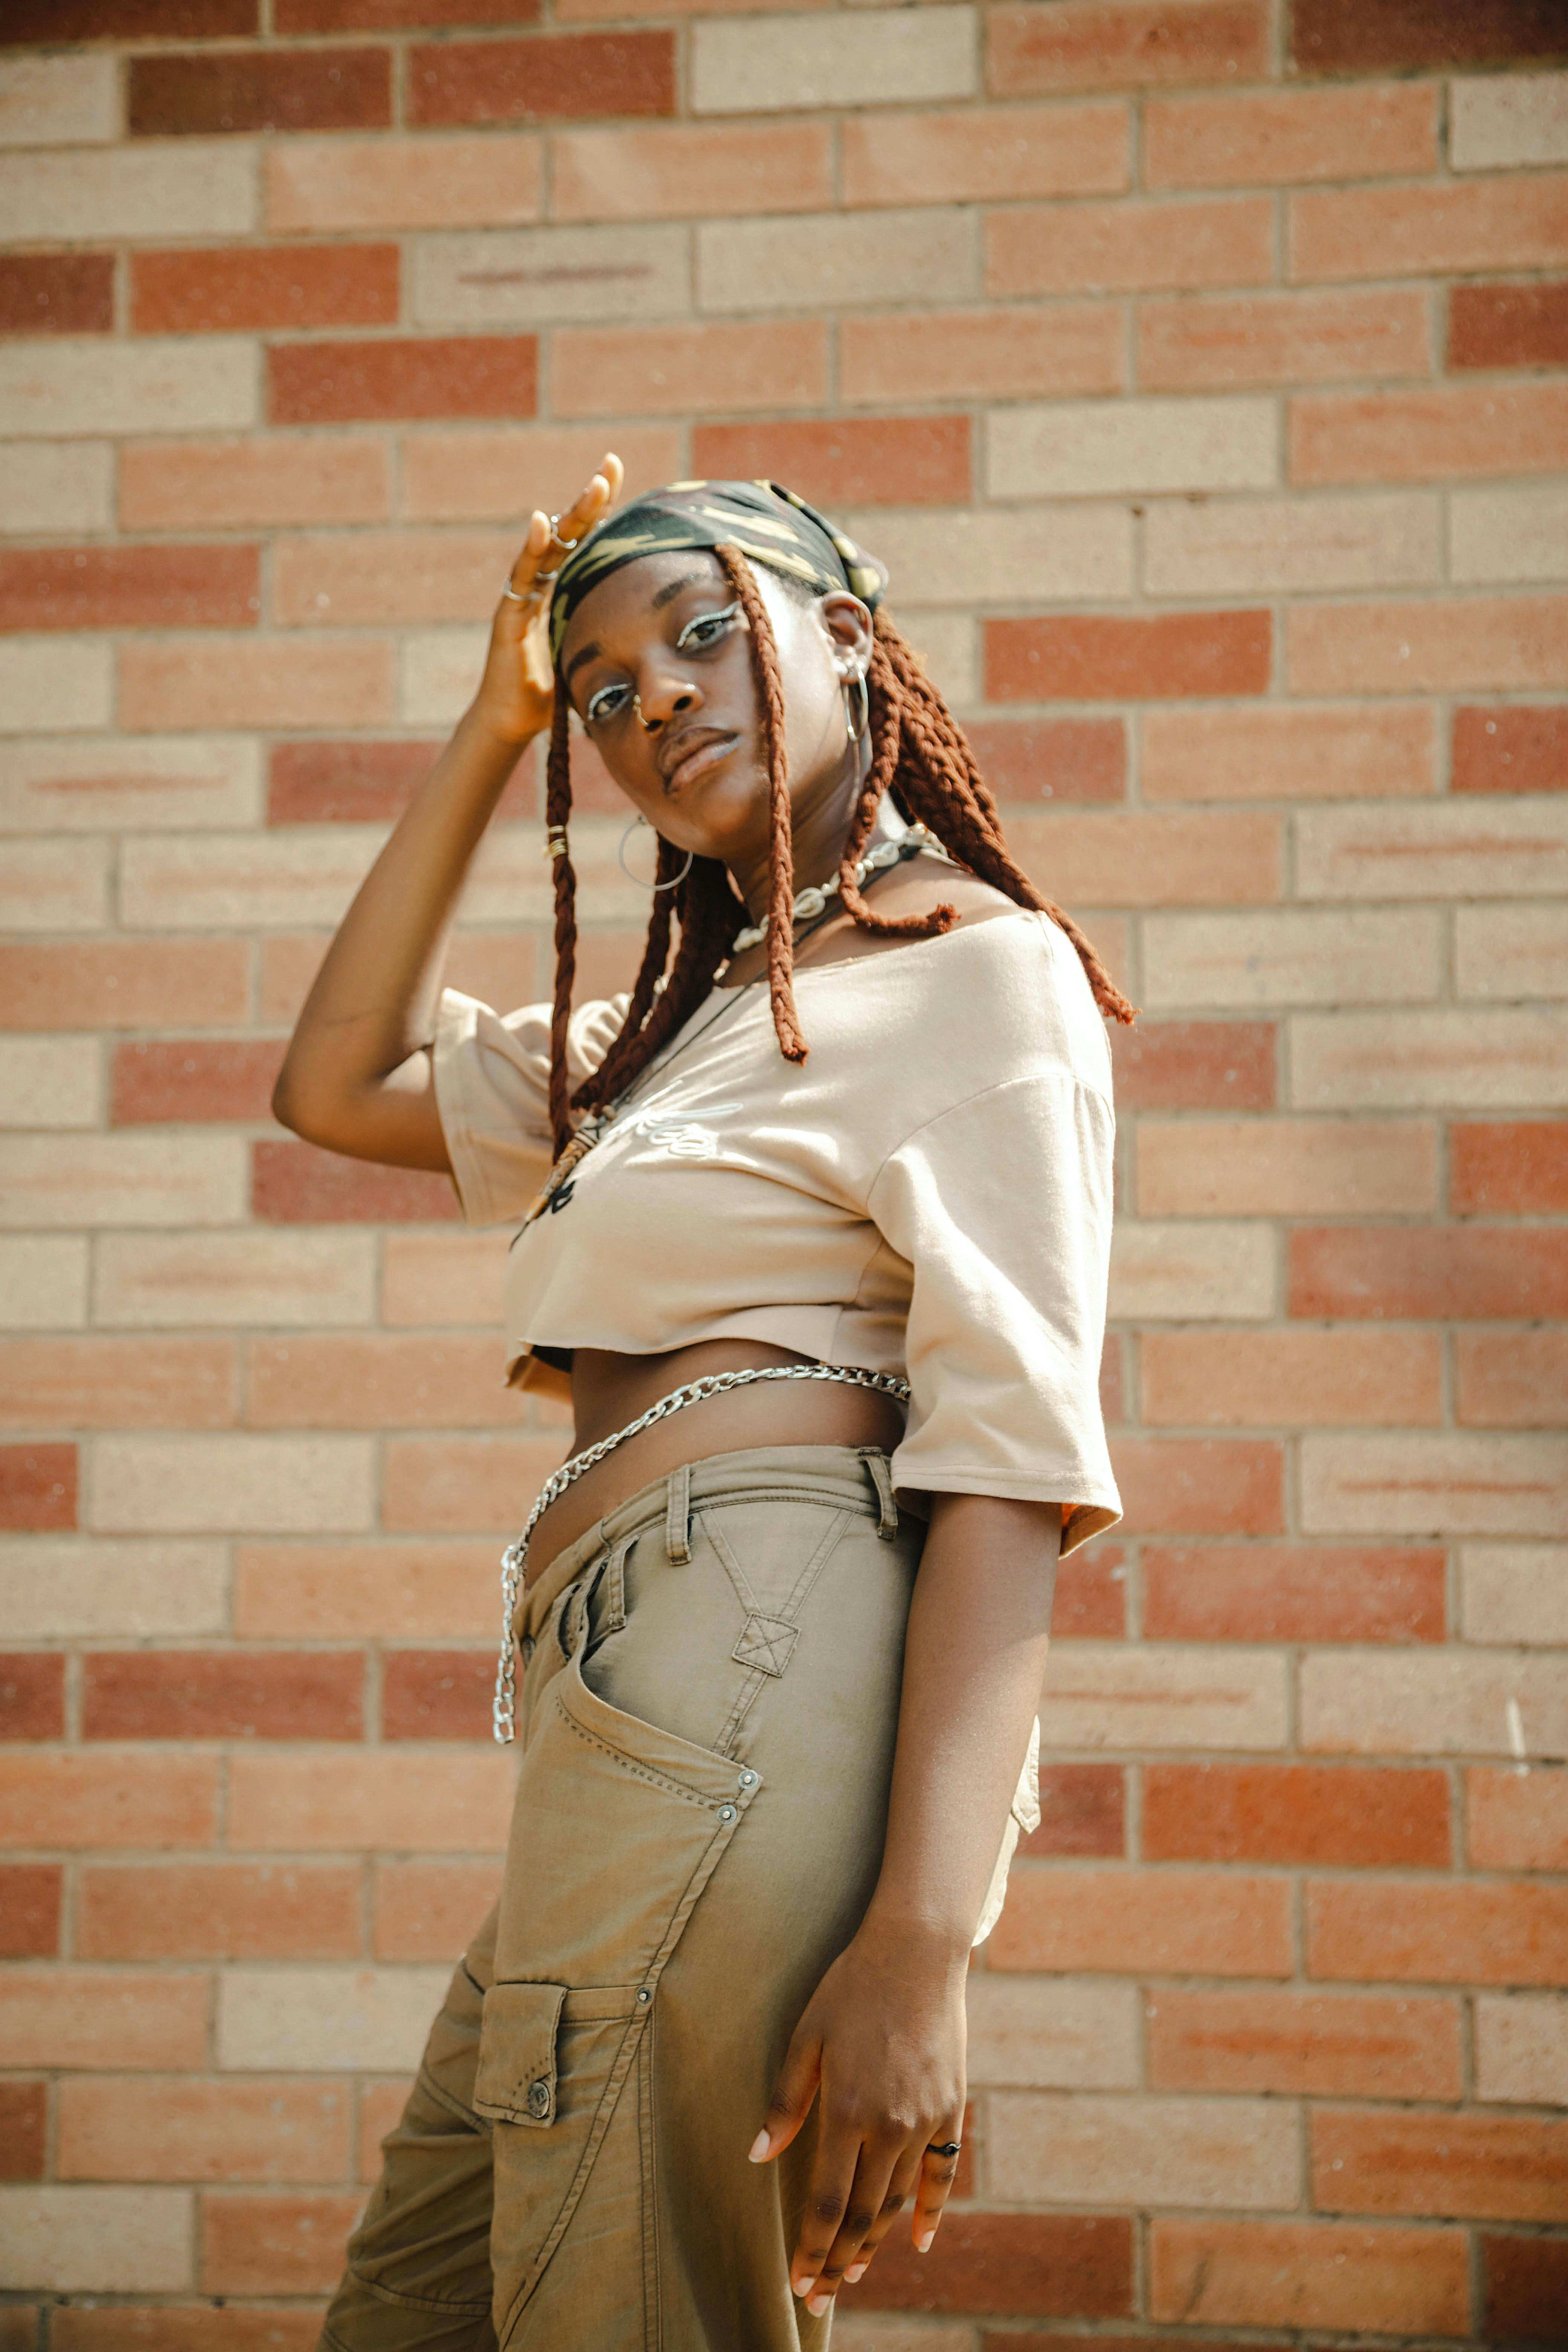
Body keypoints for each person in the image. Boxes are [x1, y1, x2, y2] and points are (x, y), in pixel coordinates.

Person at [274, 457, 1133, 2352]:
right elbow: (333, 1082)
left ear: (842, 638)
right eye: (602, 691)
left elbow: (1009, 1459)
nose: (651, 697)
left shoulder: (974, 970)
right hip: (620, 1691)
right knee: (418, 2311)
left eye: (699, 634)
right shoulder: (673, 1032)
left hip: (747, 1647)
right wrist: (493, 722)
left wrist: (921, 1943)